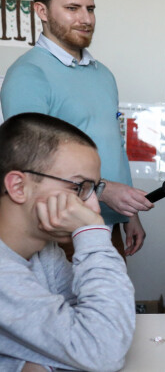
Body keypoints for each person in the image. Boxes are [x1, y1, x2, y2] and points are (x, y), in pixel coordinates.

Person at [0, 0, 153, 259]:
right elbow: (29, 161)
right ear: (41, 11)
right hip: (58, 228)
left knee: (110, 300)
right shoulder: (28, 73)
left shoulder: (103, 75)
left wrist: (127, 214)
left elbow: (114, 145)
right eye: (72, 8)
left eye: (90, 9)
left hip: (107, 223)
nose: (86, 19)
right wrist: (104, 191)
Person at [0, 113, 135, 371]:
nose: (93, 206)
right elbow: (103, 350)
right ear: (18, 186)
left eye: (94, 189)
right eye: (78, 187)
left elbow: (104, 322)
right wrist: (91, 232)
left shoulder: (44, 253)